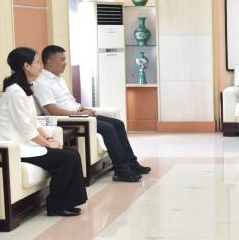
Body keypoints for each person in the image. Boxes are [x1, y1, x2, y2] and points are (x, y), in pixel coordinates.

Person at [32, 45, 150, 183]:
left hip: (79, 114)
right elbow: (53, 110)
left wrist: (85, 109)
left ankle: (132, 162)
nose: (65, 63)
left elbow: (69, 102)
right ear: (49, 61)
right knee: (108, 128)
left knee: (118, 124)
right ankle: (121, 170)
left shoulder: (59, 78)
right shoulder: (41, 82)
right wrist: (79, 114)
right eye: (62, 60)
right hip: (69, 119)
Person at [0, 47, 88, 217]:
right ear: (26, 66)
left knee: (72, 154)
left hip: (29, 144)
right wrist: (47, 144)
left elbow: (34, 122)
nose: (40, 66)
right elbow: (26, 129)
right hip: (18, 148)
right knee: (67, 159)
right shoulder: (15, 92)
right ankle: (56, 206)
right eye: (37, 62)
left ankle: (67, 203)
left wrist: (50, 139)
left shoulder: (24, 89)